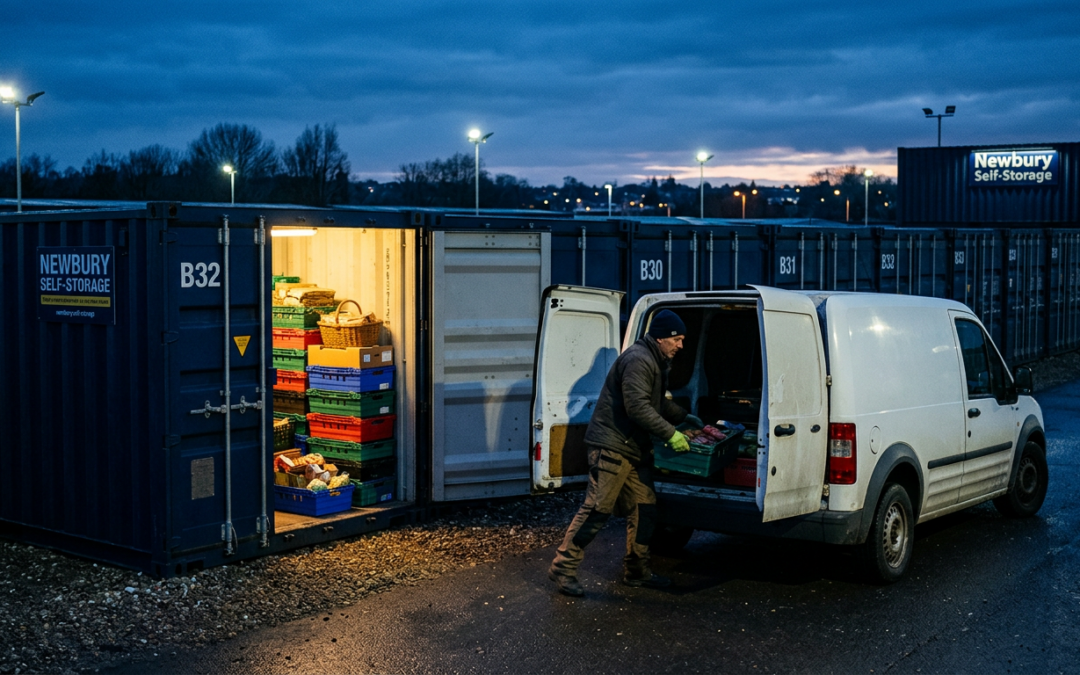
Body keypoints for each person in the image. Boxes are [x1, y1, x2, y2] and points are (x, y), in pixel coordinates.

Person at [548, 309, 702, 597]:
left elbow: (654, 402)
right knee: (597, 509)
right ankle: (563, 567)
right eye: (677, 339)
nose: (681, 345)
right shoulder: (638, 360)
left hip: (633, 448)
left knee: (645, 509)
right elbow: (638, 408)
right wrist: (672, 433)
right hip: (612, 446)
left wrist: (683, 416)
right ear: (661, 338)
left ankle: (638, 572)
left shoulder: (655, 361)